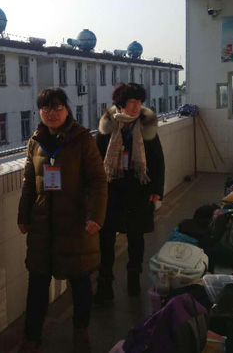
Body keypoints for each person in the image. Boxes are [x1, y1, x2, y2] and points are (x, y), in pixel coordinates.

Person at [17, 87, 108, 353]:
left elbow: (98, 180)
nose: (51, 113)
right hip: (42, 226)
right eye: (45, 108)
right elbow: (28, 183)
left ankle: (81, 332)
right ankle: (31, 338)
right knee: (37, 285)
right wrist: (23, 215)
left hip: (75, 224)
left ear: (67, 110)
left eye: (57, 107)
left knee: (80, 283)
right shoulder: (35, 141)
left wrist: (96, 216)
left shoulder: (82, 139)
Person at [93, 82, 165, 303]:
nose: (136, 106)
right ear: (120, 104)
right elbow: (96, 160)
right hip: (111, 190)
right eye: (131, 102)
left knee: (136, 236)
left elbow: (157, 160)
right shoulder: (107, 127)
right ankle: (105, 283)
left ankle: (134, 277)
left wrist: (157, 189)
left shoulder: (146, 126)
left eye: (139, 101)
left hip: (139, 190)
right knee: (106, 238)